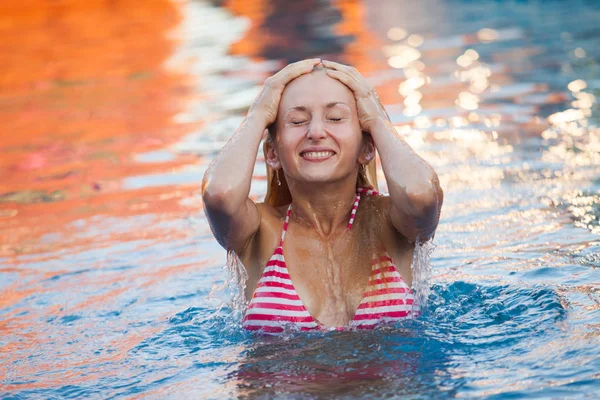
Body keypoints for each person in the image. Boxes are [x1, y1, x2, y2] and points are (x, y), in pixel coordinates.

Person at [202, 58, 443, 333]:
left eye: (336, 118)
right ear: (272, 153)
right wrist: (258, 113)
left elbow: (421, 194)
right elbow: (220, 194)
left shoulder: (390, 224)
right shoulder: (259, 234)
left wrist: (376, 117)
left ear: (367, 147)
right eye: (297, 120)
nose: (315, 132)